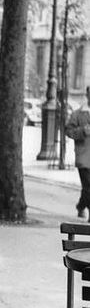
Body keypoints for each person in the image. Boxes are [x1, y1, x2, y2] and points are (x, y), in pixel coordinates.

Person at [65, 86, 90, 219]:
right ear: (87, 95)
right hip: (84, 157)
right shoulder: (77, 114)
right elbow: (68, 131)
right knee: (88, 187)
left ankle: (81, 206)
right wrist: (82, 131)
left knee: (87, 188)